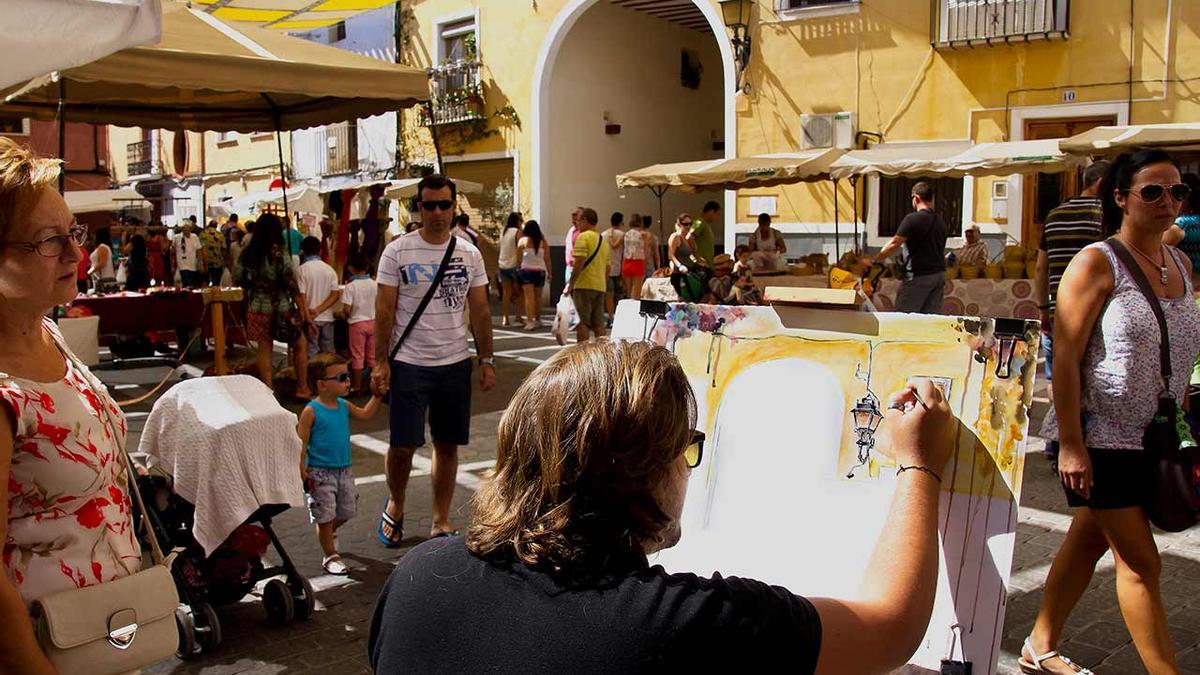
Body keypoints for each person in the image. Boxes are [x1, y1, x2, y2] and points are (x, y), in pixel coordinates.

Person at [369, 340, 957, 674]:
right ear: (643, 472)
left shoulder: (419, 575)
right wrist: (919, 465)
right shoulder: (688, 625)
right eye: (686, 450)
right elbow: (891, 626)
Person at [1026, 150, 1200, 675]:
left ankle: (1038, 645)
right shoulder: (1096, 261)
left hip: (1155, 434)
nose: (1168, 202)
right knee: (1141, 563)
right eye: (1152, 191)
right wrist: (1073, 444)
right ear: (1120, 197)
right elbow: (1067, 355)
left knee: (1088, 539)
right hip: (1101, 436)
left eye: (1178, 191)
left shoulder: (1181, 263)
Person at [0, 137, 142, 674]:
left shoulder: (49, 332)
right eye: (47, 242)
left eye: (73, 234)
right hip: (46, 653)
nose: (76, 254)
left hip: (108, 632)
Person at [372, 174, 496, 545]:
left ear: (454, 207)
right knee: (402, 445)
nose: (438, 212)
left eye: (445, 205)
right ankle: (396, 502)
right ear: (419, 208)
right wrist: (380, 361)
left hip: (454, 363)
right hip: (409, 362)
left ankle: (440, 519)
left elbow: (481, 310)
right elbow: (383, 310)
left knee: (447, 444)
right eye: (430, 205)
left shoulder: (469, 253)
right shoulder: (397, 251)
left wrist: (486, 359)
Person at [1036, 160, 1109, 420]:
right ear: (1102, 183)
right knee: (1089, 377)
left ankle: (1055, 432)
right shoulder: (1106, 216)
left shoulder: (1054, 215)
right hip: (1096, 313)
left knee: (1056, 374)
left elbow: (1041, 268)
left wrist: (1043, 308)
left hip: (1058, 311)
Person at [298, 353, 382, 575]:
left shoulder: (343, 405)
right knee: (325, 515)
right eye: (342, 377)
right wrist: (301, 466)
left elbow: (365, 414)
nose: (348, 381)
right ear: (322, 385)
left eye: (347, 376)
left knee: (346, 510)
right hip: (319, 472)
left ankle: (326, 533)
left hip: (344, 469)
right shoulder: (311, 410)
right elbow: (301, 441)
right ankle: (330, 555)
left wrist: (377, 396)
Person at [239, 213, 312, 397]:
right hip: (280, 307)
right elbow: (291, 284)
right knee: (300, 344)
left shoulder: (249, 253)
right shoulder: (279, 252)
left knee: (264, 348)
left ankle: (268, 390)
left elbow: (240, 277)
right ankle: (302, 387)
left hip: (256, 306)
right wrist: (303, 311)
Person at [872, 182, 948, 314]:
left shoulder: (912, 219)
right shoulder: (940, 222)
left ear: (916, 198)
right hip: (939, 275)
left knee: (903, 318)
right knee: (930, 320)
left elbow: (895, 243)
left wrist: (876, 260)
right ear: (932, 199)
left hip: (918, 276)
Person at [563, 207, 609, 343]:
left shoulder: (583, 237)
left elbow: (578, 264)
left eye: (579, 219)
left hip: (583, 286)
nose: (577, 222)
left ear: (585, 220)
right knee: (598, 324)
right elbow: (608, 267)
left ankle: (583, 353)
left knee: (582, 323)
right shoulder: (603, 240)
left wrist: (570, 285)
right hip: (600, 286)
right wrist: (603, 283)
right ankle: (603, 353)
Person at [339, 252, 378, 395]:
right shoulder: (375, 284)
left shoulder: (351, 286)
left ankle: (356, 386)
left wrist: (340, 314)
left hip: (357, 324)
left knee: (357, 356)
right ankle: (374, 385)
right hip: (373, 322)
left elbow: (347, 310)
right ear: (367, 267)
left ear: (350, 268)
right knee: (372, 356)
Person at [297, 236, 340, 359]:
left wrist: (309, 316)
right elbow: (335, 295)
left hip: (309, 319)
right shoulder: (330, 270)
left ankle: (313, 378)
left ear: (303, 251)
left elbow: (301, 296)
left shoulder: (302, 270)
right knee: (329, 355)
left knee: (311, 353)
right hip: (327, 318)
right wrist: (319, 309)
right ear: (320, 250)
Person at [518, 220, 551, 331]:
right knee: (538, 297)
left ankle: (530, 321)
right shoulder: (543, 242)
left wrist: (518, 268)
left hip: (526, 270)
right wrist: (550, 272)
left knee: (529, 298)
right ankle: (538, 318)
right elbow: (547, 258)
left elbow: (518, 257)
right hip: (540, 270)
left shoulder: (523, 241)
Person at [668, 213, 709, 302]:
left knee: (705, 276)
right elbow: (671, 254)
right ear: (679, 225)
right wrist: (680, 265)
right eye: (685, 224)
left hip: (689, 269)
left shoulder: (688, 238)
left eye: (690, 224)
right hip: (679, 272)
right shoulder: (675, 237)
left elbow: (694, 253)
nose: (688, 226)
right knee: (683, 298)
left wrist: (700, 261)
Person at [497, 212, 523, 327]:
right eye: (521, 220)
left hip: (502, 264)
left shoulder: (504, 232)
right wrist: (519, 264)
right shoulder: (517, 232)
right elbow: (519, 249)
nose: (522, 223)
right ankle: (518, 316)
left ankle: (505, 318)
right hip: (513, 265)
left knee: (506, 293)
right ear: (517, 221)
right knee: (519, 293)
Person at [602, 211, 625, 321]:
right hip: (619, 268)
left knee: (609, 295)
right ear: (620, 222)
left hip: (607, 268)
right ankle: (619, 316)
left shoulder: (603, 235)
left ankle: (611, 317)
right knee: (619, 295)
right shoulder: (622, 235)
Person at [621, 214, 648, 300]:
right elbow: (645, 250)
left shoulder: (626, 234)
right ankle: (634, 310)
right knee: (636, 291)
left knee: (628, 291)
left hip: (627, 261)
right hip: (638, 261)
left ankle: (628, 308)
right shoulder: (643, 234)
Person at [173, 216, 204, 288]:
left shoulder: (194, 237)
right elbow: (173, 252)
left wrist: (200, 263)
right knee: (186, 283)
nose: (187, 232)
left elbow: (199, 250)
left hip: (192, 264)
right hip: (181, 265)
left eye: (188, 230)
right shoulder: (177, 237)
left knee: (192, 284)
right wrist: (173, 265)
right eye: (185, 230)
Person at [199, 218, 228, 287]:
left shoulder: (203, 234)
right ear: (216, 226)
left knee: (205, 282)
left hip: (205, 262)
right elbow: (224, 249)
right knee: (216, 282)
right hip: (217, 262)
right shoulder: (220, 235)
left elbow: (200, 248)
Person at [88, 225, 116, 293]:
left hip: (103, 279)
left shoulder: (102, 247)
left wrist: (91, 271)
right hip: (101, 279)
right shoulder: (104, 247)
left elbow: (102, 262)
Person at [695, 200, 720, 265]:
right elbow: (688, 238)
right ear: (711, 212)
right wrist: (697, 258)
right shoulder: (699, 222)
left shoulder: (706, 225)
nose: (717, 217)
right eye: (717, 214)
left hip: (708, 264)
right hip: (701, 265)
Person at [563, 206, 582, 286]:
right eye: (573, 215)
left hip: (579, 268)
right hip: (569, 267)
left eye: (576, 215)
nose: (573, 217)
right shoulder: (571, 230)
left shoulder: (583, 232)